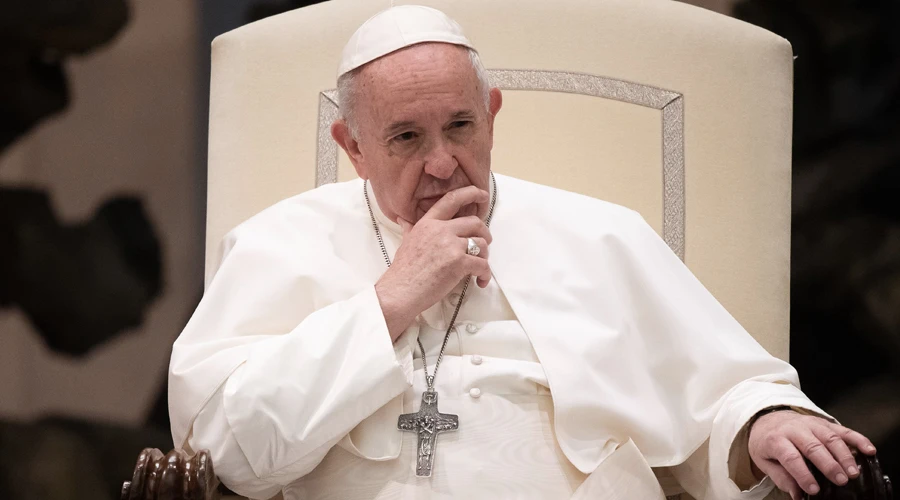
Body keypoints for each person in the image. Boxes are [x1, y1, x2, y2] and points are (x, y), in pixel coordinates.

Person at [168, 5, 876, 500]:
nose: (444, 164)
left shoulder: (602, 235)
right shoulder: (277, 245)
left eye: (460, 126)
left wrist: (766, 424)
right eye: (406, 138)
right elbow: (230, 455)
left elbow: (722, 394)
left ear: (493, 115)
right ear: (352, 148)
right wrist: (388, 303)